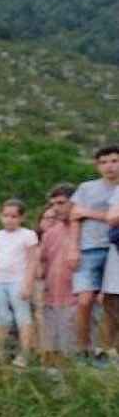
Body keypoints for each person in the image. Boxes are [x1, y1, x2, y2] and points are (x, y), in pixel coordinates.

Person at [70, 145, 119, 357]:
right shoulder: (86, 188)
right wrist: (73, 248)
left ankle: (106, 351)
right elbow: (74, 217)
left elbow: (112, 217)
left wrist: (89, 212)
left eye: (114, 161)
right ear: (97, 165)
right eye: (104, 162)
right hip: (89, 248)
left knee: (111, 303)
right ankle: (82, 348)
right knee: (84, 300)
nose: (110, 166)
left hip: (114, 249)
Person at [0, 199, 39, 366]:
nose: (9, 219)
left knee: (22, 315)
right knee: (1, 316)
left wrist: (28, 283)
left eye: (14, 216)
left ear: (21, 218)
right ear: (0, 216)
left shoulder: (28, 235)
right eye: (6, 216)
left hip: (18, 280)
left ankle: (25, 354)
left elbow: (32, 261)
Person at [37, 185, 81, 362]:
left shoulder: (87, 230)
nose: (56, 208)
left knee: (72, 352)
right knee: (50, 352)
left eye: (61, 203)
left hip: (75, 298)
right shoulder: (50, 233)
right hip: (51, 298)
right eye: (53, 204)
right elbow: (41, 264)